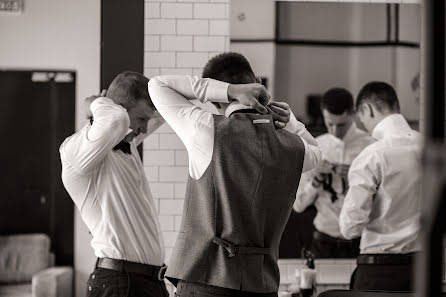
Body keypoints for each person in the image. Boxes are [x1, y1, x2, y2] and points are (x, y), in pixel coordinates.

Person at [148, 52, 322, 296]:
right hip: (262, 285)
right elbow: (317, 151)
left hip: (207, 279)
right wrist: (290, 120)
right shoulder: (293, 147)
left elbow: (157, 85)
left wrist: (228, 90)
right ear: (257, 84)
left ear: (215, 98)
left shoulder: (207, 130)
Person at [60, 72, 169, 297]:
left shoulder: (128, 145)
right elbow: (117, 120)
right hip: (119, 284)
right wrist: (93, 103)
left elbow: (165, 113)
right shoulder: (76, 153)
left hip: (147, 284)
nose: (145, 129)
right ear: (116, 109)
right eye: (141, 119)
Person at [339, 81, 422, 291]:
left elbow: (350, 227)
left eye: (361, 117)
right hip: (426, 270)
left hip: (380, 272)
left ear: (366, 109)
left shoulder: (372, 155)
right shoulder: (432, 147)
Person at [293, 88, 375, 258]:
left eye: (341, 125)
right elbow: (298, 205)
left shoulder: (371, 147)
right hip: (322, 241)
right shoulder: (314, 147)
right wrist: (316, 180)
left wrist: (357, 179)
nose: (336, 131)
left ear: (353, 114)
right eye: (330, 124)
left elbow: (384, 200)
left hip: (361, 241)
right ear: (323, 114)